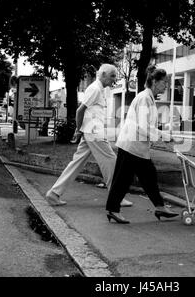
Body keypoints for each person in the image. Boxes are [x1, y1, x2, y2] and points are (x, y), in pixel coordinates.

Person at [46, 64, 133, 207]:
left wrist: (80, 130)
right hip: (94, 133)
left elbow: (86, 112)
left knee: (77, 163)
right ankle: (116, 197)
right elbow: (80, 111)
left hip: (90, 132)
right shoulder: (95, 89)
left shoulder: (99, 89)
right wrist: (77, 130)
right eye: (112, 76)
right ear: (103, 74)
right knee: (111, 161)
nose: (114, 80)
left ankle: (54, 194)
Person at [105, 65, 179, 223]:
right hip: (132, 146)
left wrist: (160, 135)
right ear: (154, 81)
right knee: (123, 180)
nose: (166, 85)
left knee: (149, 177)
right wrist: (163, 135)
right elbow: (143, 126)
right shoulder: (145, 98)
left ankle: (160, 207)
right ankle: (113, 209)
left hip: (136, 147)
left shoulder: (148, 98)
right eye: (164, 82)